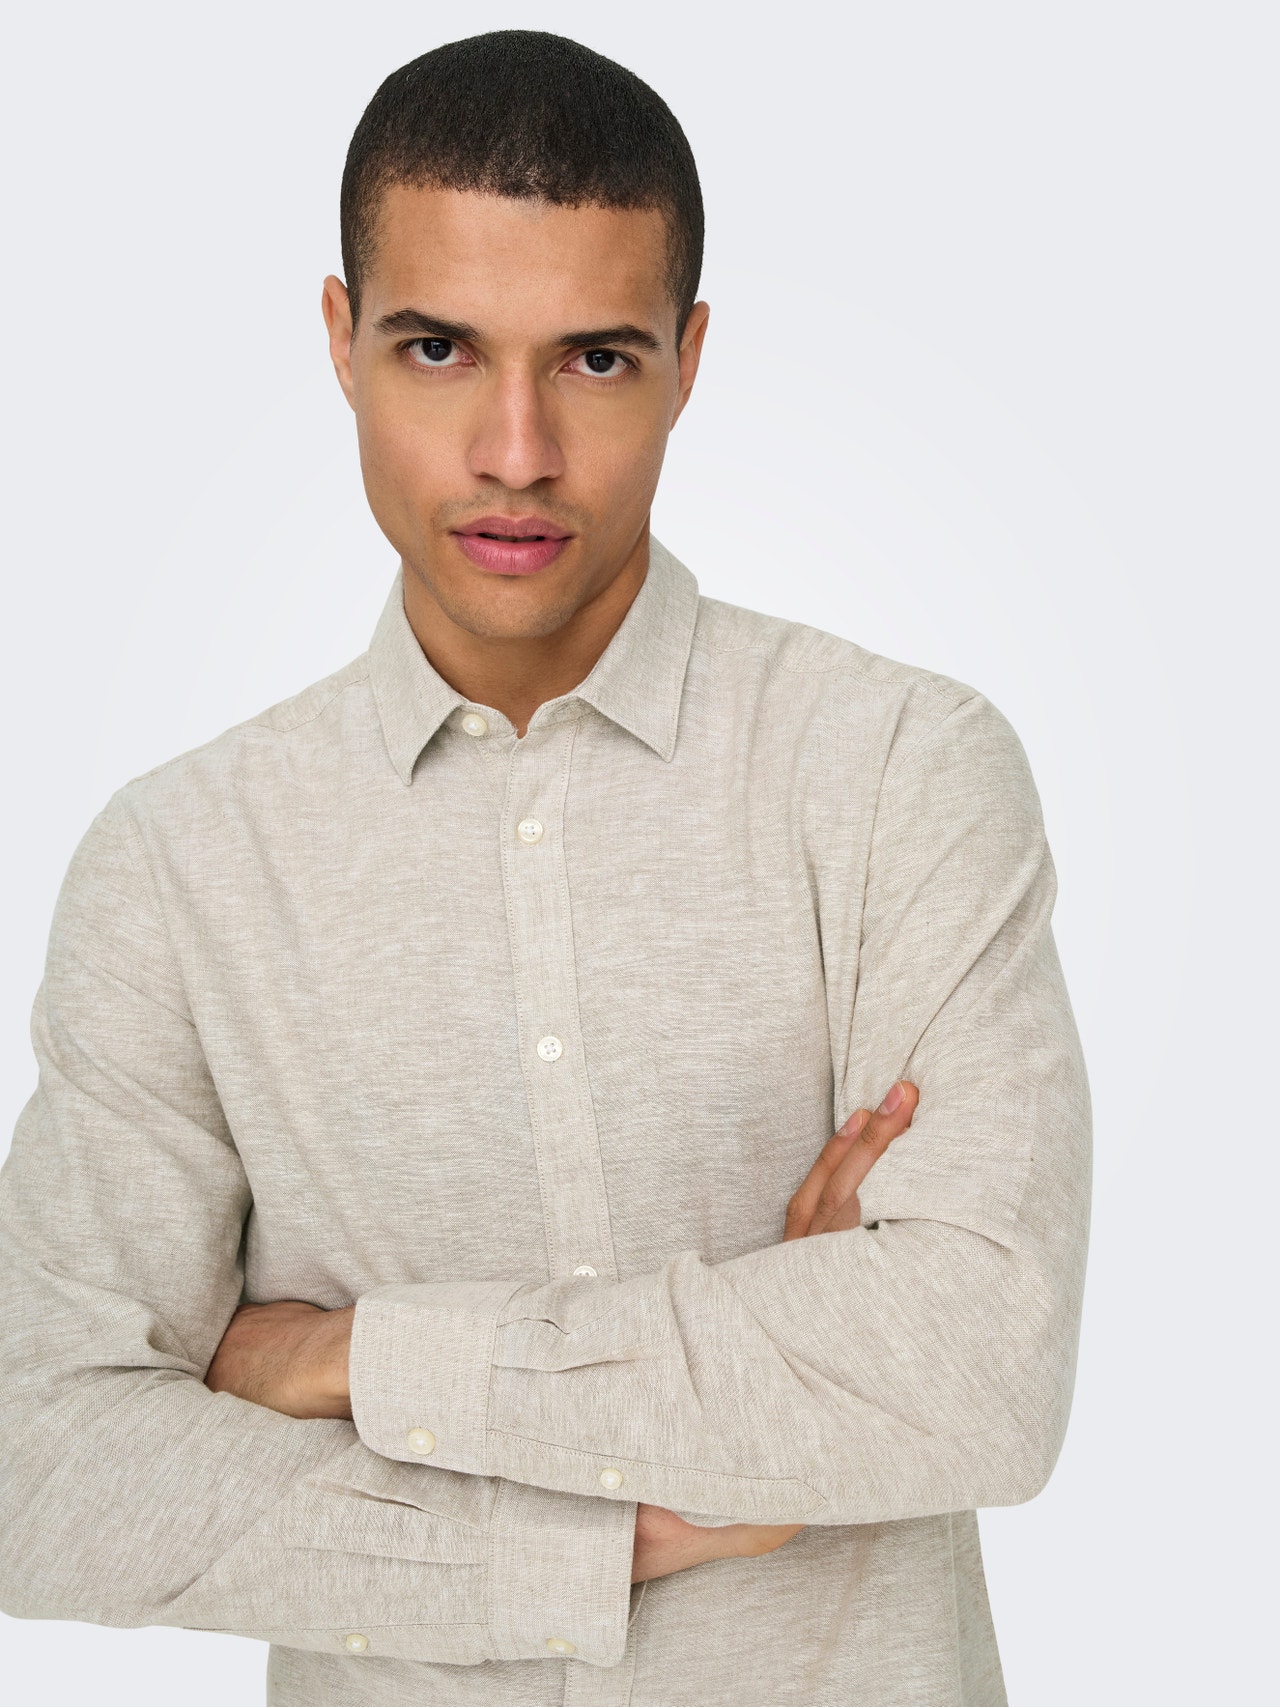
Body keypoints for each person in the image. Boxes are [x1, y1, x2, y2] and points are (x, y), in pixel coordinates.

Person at [0, 29, 1090, 1707]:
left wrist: (350, 1360)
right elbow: (48, 1464)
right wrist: (589, 1538)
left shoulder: (900, 774)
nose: (515, 451)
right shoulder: (177, 868)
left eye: (594, 359)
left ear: (688, 361)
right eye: (439, 348)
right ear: (342, 341)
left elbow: (978, 1373)